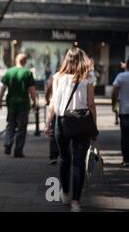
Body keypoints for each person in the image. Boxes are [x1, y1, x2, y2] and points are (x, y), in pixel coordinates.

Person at [45, 47, 97, 212]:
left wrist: (48, 123)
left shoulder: (58, 77)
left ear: (66, 60)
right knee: (79, 162)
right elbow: (91, 104)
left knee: (64, 158)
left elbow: (53, 103)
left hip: (62, 121)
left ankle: (65, 193)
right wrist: (94, 127)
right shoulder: (87, 78)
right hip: (82, 122)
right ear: (82, 60)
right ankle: (76, 202)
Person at [0, 53, 37, 158]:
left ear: (16, 60)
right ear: (25, 61)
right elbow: (32, 90)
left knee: (11, 125)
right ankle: (18, 151)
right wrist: (35, 102)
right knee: (21, 128)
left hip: (11, 103)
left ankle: (8, 144)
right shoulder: (27, 73)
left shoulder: (9, 72)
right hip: (23, 105)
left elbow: (3, 88)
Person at [112, 57, 129, 168]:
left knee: (125, 136)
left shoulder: (121, 76)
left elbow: (114, 91)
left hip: (124, 110)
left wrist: (113, 104)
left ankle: (126, 159)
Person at [45, 73, 59, 165]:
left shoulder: (57, 76)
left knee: (54, 133)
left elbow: (49, 88)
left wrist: (47, 98)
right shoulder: (80, 76)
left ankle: (54, 155)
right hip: (74, 112)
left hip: (58, 110)